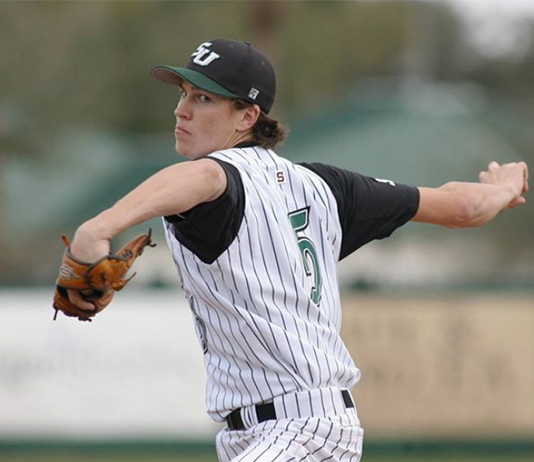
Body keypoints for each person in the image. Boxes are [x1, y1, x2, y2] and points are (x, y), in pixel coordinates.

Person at [63, 39, 529, 462]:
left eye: (203, 98)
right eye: (183, 93)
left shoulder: (214, 178)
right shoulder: (329, 186)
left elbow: (204, 176)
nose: (182, 110)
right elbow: (460, 207)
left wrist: (99, 227)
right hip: (288, 431)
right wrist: (503, 189)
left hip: (297, 427)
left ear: (247, 117)